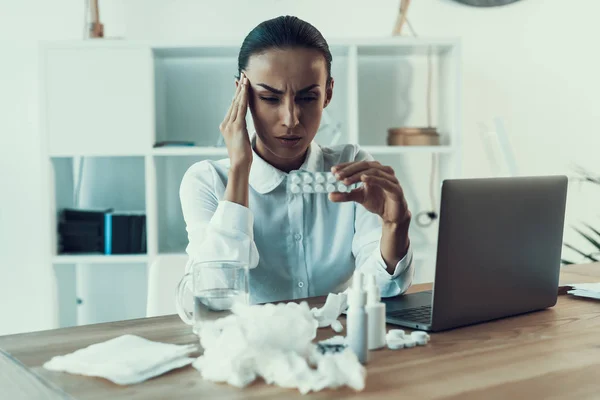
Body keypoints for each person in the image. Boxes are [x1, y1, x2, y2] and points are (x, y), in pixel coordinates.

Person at [180, 15, 414, 304]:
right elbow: (214, 296)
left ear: (328, 93)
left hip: (335, 341)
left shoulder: (351, 166)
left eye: (307, 98)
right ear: (242, 93)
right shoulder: (206, 180)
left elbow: (382, 289)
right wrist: (240, 169)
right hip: (250, 345)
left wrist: (396, 226)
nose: (291, 120)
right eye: (269, 98)